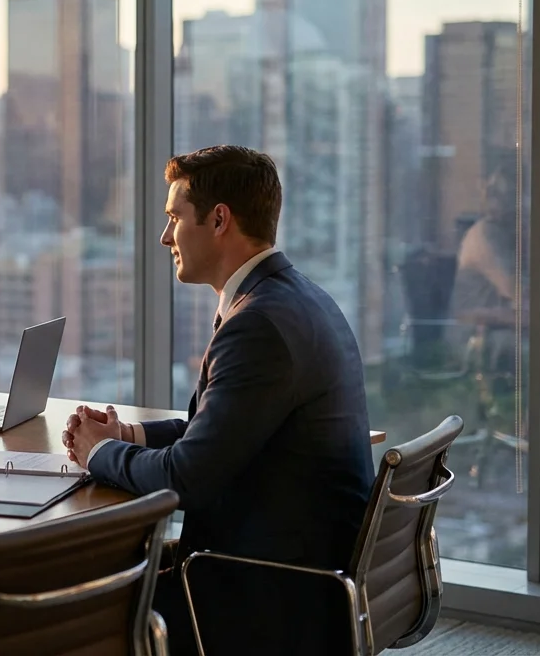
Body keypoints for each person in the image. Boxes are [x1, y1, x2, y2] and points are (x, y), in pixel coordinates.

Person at [63, 146, 374, 656]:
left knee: (62, 602)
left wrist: (97, 453)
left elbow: (186, 479)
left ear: (219, 219)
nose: (166, 237)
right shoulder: (298, 298)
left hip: (262, 593)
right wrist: (128, 436)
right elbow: (217, 427)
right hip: (306, 572)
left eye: (175, 218)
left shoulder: (256, 325)